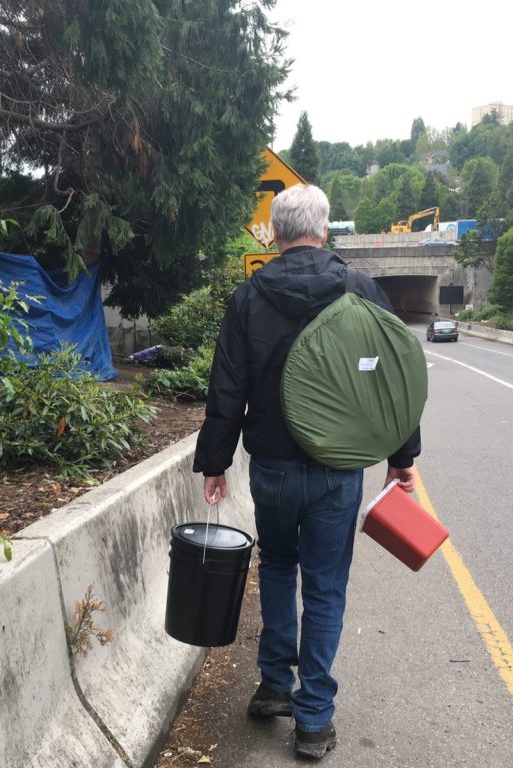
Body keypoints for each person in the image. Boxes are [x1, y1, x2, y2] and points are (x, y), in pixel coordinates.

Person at [192, 184, 420, 760]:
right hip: (337, 472)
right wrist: (402, 458)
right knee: (324, 585)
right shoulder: (361, 290)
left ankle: (274, 685)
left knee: (276, 566)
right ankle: (313, 719)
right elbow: (397, 381)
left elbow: (227, 388)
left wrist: (215, 463)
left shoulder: (249, 297)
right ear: (324, 229)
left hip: (270, 467)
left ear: (275, 232)